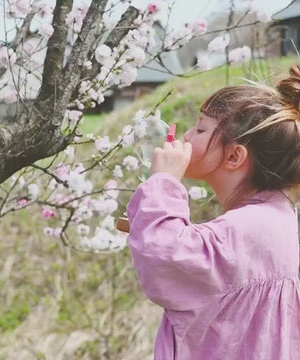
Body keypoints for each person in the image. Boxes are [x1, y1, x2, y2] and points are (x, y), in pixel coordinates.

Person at [127, 65, 300, 359]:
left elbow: (164, 256)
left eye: (201, 128)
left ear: (234, 156)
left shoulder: (249, 227)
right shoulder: (276, 217)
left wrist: (164, 182)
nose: (186, 135)